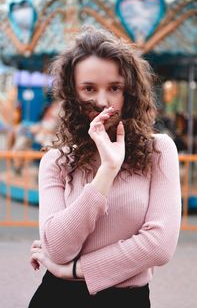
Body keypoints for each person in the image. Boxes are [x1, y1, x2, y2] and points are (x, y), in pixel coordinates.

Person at [28, 26, 182, 308]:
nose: (101, 101)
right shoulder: (57, 160)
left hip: (127, 300)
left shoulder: (158, 150)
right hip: (57, 298)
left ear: (130, 92)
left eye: (114, 88)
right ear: (73, 94)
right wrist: (107, 171)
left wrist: (73, 270)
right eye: (88, 88)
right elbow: (58, 248)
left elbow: (159, 245)